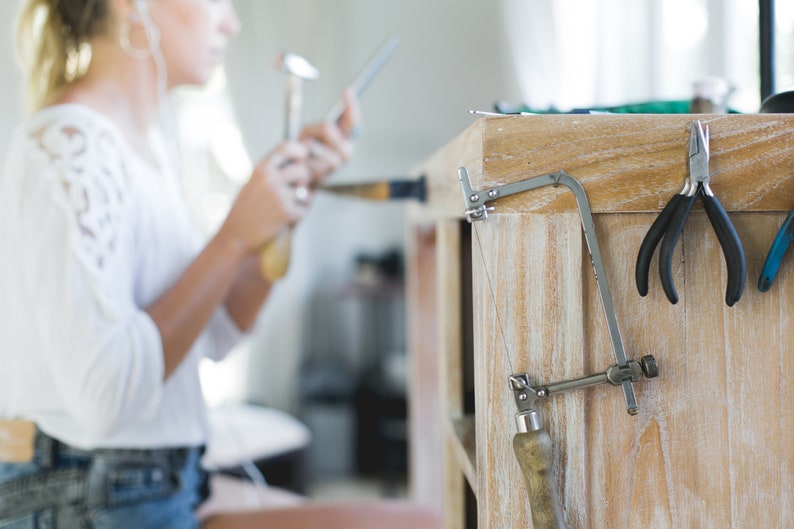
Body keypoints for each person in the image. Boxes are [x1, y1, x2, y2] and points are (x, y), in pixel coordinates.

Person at [0, 1, 441, 528]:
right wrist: (234, 236)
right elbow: (106, 396)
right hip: (85, 491)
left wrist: (278, 215)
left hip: (158, 479)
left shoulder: (147, 149)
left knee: (419, 518)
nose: (230, 22)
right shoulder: (67, 145)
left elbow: (219, 331)